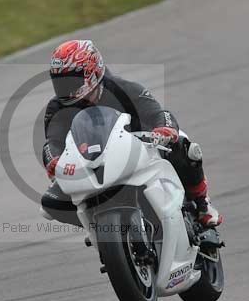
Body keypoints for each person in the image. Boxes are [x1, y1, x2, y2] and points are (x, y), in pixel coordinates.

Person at [40, 39, 222, 240]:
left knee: (184, 147)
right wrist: (54, 160)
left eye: (71, 82)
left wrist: (165, 129)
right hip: (93, 163)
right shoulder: (57, 108)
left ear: (91, 74)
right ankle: (98, 225)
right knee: (51, 202)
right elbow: (52, 142)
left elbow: (158, 113)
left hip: (141, 150)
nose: (65, 89)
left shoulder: (122, 88)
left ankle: (202, 203)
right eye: (60, 83)